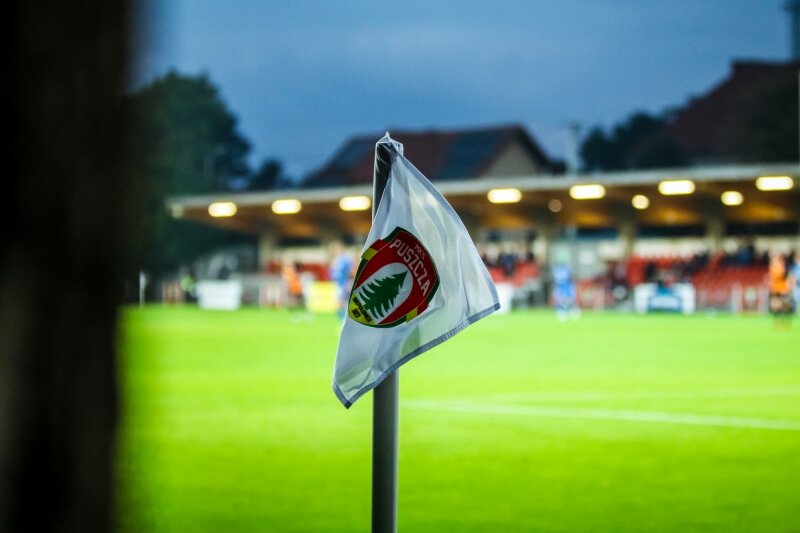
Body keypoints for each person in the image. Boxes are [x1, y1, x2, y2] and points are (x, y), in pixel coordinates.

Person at [329, 242, 354, 319]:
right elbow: (332, 271)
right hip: (337, 283)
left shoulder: (346, 259)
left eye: (336, 249)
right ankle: (342, 318)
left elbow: (350, 271)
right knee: (340, 301)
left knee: (343, 301)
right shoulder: (336, 259)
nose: (335, 251)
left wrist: (349, 281)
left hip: (344, 283)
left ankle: (344, 318)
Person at [768, 252, 793, 326]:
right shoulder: (773, 266)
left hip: (782, 288)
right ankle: (778, 322)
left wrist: (788, 284)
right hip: (776, 288)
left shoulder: (780, 265)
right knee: (776, 304)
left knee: (784, 304)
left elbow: (784, 275)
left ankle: (784, 320)